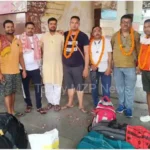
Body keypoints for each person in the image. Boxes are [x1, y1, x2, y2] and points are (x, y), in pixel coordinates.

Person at [111, 14, 140, 117]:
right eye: (123, 22)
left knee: (129, 88)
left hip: (131, 66)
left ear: (131, 24)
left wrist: (138, 66)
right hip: (117, 66)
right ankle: (121, 105)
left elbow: (139, 50)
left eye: (128, 22)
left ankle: (128, 108)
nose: (125, 24)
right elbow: (111, 50)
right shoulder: (115, 36)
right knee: (120, 88)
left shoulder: (136, 35)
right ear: (120, 23)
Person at [62, 16, 89, 113]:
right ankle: (70, 103)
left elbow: (86, 53)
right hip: (66, 65)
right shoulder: (64, 34)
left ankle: (81, 105)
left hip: (78, 66)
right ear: (69, 23)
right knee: (69, 85)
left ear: (79, 24)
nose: (74, 24)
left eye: (76, 22)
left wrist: (86, 68)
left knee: (79, 86)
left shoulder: (83, 36)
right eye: (72, 22)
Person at [0, 20, 26, 116]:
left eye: (11, 26)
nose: (10, 28)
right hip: (5, 72)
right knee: (7, 93)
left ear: (14, 27)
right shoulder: (1, 40)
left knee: (13, 92)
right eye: (8, 27)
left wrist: (23, 69)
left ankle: (13, 111)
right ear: (4, 28)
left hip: (16, 71)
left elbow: (20, 56)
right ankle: (9, 113)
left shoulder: (17, 41)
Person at [19, 22, 47, 114]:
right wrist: (23, 69)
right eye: (28, 28)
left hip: (35, 68)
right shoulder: (20, 39)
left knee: (38, 87)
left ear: (34, 29)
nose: (30, 30)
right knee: (25, 88)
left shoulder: (37, 38)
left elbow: (46, 34)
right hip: (24, 69)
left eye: (32, 28)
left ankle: (39, 106)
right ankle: (29, 104)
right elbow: (19, 55)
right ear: (25, 29)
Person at [40, 17, 64, 112]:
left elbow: (63, 50)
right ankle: (50, 102)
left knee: (57, 84)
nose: (53, 25)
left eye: (54, 24)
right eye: (51, 24)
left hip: (58, 64)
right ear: (48, 25)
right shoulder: (43, 37)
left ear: (56, 25)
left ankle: (56, 103)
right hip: (47, 65)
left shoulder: (61, 36)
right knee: (48, 84)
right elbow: (40, 50)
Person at [90, 26, 112, 107]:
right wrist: (91, 64)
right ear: (92, 33)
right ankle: (97, 105)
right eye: (95, 31)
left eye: (99, 30)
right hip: (93, 69)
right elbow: (88, 55)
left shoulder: (106, 41)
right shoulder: (90, 42)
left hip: (105, 69)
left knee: (106, 89)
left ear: (101, 32)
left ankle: (106, 105)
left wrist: (109, 68)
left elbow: (110, 55)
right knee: (94, 88)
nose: (97, 32)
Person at [139, 19, 150, 122]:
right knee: (148, 92)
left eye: (148, 26)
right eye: (145, 27)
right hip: (145, 71)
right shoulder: (143, 39)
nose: (146, 29)